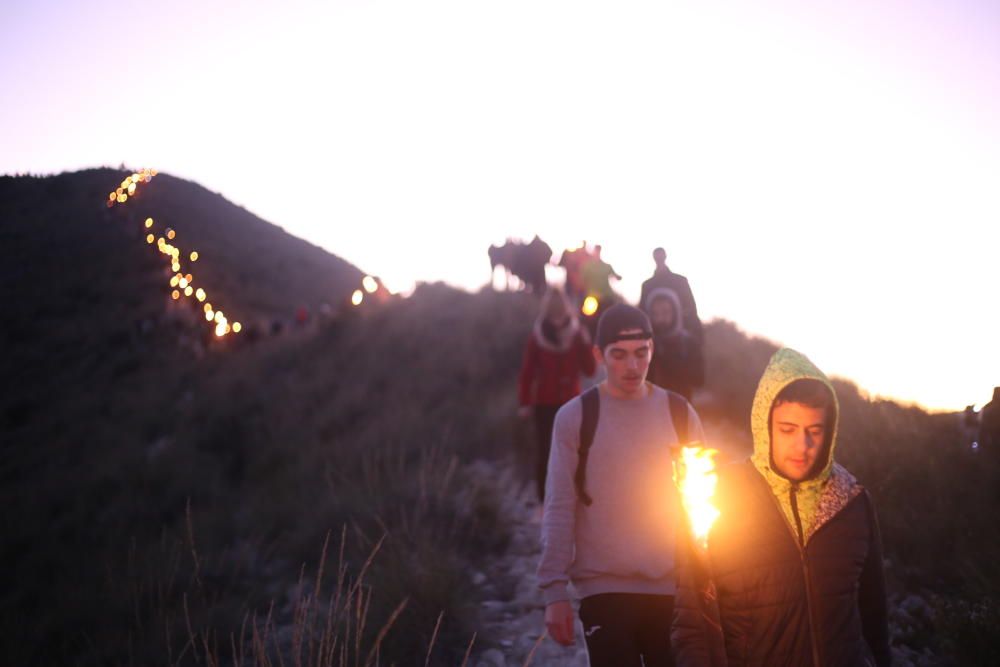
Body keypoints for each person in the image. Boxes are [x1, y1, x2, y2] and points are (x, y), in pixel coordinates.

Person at [672, 348, 891, 667]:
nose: (802, 446)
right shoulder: (717, 497)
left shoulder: (852, 502)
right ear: (765, 426)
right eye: (788, 430)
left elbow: (874, 614)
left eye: (814, 431)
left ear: (829, 431)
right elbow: (691, 624)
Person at [538, 303, 706, 666]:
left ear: (652, 349)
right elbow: (560, 505)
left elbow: (702, 507)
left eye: (640, 353)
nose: (632, 366)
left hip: (675, 591)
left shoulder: (680, 415)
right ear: (599, 355)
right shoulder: (576, 417)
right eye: (619, 355)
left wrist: (710, 585)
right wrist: (554, 593)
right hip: (604, 589)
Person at [518, 288, 597, 503]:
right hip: (545, 403)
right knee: (546, 453)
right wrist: (525, 402)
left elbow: (589, 369)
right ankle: (544, 503)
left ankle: (574, 498)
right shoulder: (538, 335)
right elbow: (528, 372)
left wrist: (586, 342)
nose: (557, 317)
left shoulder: (577, 333)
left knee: (575, 452)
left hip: (571, 402)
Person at [645, 287, 704, 400]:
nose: (660, 318)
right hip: (650, 408)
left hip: (681, 410)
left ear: (676, 312)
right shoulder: (645, 344)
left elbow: (699, 380)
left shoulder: (689, 343)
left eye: (665, 312)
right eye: (655, 313)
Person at [640, 247, 703, 344]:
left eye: (660, 256)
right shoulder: (647, 285)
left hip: (681, 341)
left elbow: (691, 308)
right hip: (655, 340)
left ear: (665, 256)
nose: (659, 259)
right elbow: (643, 312)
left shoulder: (680, 281)